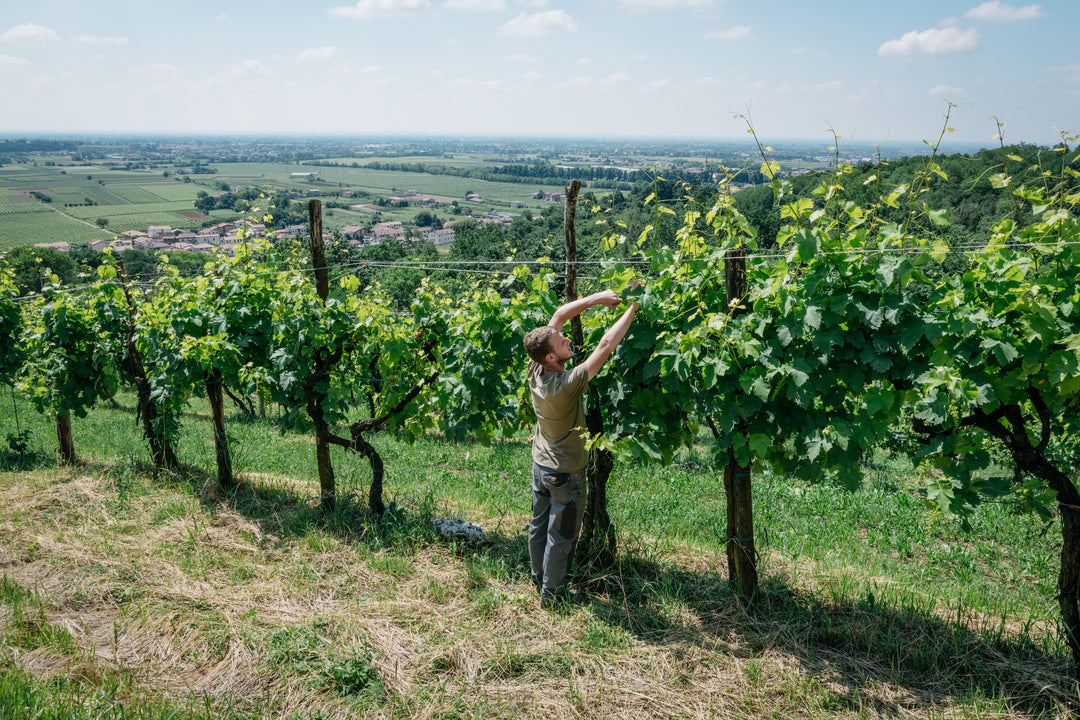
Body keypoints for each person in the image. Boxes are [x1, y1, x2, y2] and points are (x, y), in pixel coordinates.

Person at [522, 284, 642, 607]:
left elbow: (560, 315)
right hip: (566, 473)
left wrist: (597, 298)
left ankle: (537, 578)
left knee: (539, 525)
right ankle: (553, 595)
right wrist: (632, 309)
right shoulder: (566, 385)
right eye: (561, 342)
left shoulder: (535, 368)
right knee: (561, 536)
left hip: (540, 465)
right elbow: (604, 345)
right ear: (551, 356)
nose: (565, 339)